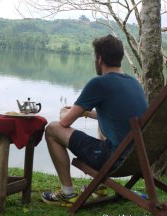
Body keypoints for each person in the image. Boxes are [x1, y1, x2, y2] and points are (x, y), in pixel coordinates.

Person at [42, 34, 148, 205]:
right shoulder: (134, 82)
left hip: (114, 159)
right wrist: (85, 113)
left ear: (99, 59)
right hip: (137, 158)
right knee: (102, 124)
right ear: (119, 57)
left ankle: (67, 193)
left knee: (52, 129)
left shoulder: (99, 84)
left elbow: (64, 123)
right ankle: (99, 187)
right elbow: (115, 116)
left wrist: (64, 112)